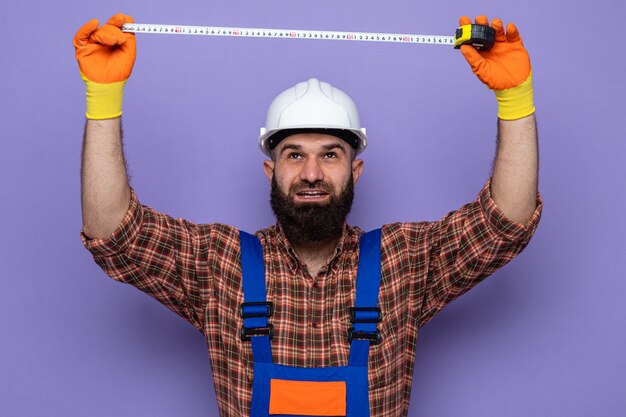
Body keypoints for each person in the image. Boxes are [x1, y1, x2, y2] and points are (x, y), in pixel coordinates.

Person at [75, 13, 542, 417]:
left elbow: (504, 223)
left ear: (355, 170)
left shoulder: (403, 261)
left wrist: (515, 100)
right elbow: (113, 232)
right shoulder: (220, 264)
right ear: (270, 170)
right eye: (294, 155)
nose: (312, 173)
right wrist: (104, 98)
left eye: (331, 155)